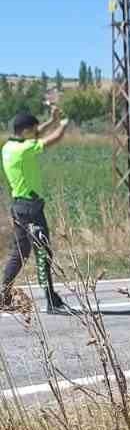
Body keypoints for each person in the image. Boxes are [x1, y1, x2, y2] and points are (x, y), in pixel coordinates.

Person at [1, 107, 71, 314]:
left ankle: (3, 296)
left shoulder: (9, 146)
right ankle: (51, 300)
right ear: (25, 132)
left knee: (20, 253)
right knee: (43, 250)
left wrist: (52, 119)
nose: (35, 132)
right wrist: (63, 125)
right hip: (31, 208)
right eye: (32, 130)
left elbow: (36, 133)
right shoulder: (25, 149)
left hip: (18, 207)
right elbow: (51, 140)